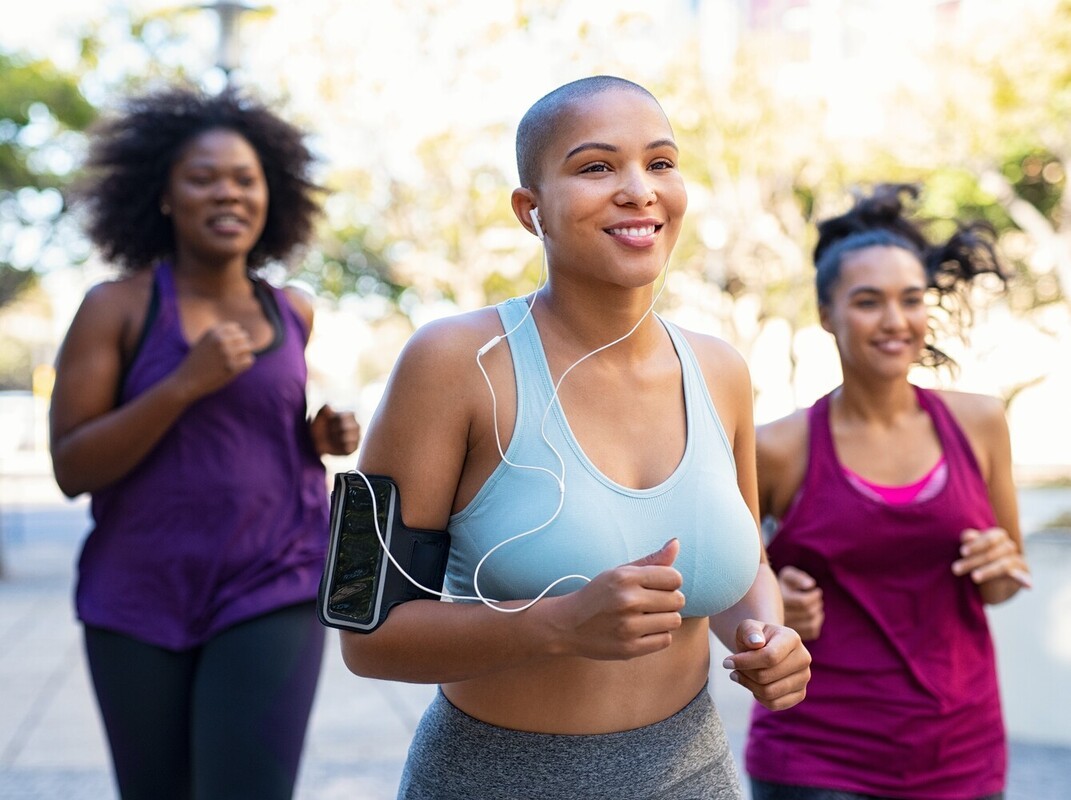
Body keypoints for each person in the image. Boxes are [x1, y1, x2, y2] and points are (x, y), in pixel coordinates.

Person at [338, 75, 811, 800]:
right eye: (595, 167)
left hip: (696, 777)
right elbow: (362, 631)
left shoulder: (721, 370)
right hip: (493, 781)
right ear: (531, 211)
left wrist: (764, 634)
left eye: (660, 163)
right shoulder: (446, 364)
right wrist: (557, 625)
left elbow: (742, 558)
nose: (638, 190)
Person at [49, 85, 360, 800]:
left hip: (272, 581)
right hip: (139, 592)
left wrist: (318, 436)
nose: (228, 194)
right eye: (203, 177)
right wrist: (182, 384)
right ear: (163, 195)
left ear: (271, 196)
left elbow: (256, 435)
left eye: (245, 179)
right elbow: (71, 468)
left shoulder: (292, 311)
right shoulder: (116, 309)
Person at [744, 184, 1031, 800]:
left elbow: (1005, 585)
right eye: (869, 302)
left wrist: (999, 564)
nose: (896, 321)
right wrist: (770, 610)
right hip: (818, 760)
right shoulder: (777, 448)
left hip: (962, 752)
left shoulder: (979, 423)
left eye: (910, 299)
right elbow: (731, 594)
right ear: (827, 314)